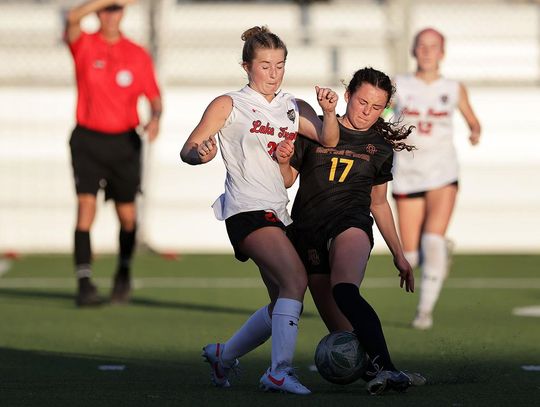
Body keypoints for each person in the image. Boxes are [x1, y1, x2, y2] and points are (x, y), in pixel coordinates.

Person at [180, 26, 339, 395]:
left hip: (277, 212)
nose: (273, 73)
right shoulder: (229, 104)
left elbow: (328, 139)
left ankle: (224, 354)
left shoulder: (291, 105)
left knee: (281, 301)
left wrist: (329, 112)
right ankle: (279, 371)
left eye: (280, 65)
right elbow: (189, 147)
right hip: (245, 210)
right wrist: (199, 154)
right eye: (265, 65)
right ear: (246, 66)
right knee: (295, 280)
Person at [276, 67, 425, 395]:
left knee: (345, 290)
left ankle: (389, 370)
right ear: (347, 96)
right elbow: (287, 180)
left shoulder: (380, 146)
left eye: (377, 108)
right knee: (348, 342)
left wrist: (400, 254)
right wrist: (283, 161)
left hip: (350, 225)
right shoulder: (315, 129)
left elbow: (379, 203)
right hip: (308, 232)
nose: (367, 112)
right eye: (362, 103)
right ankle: (379, 369)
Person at [64, 0, 162, 307]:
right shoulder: (85, 44)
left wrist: (156, 117)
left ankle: (123, 271)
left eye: (117, 8)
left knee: (128, 216)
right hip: (88, 141)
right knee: (86, 209)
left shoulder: (136, 53)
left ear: (124, 13)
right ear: (98, 11)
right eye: (107, 8)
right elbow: (72, 17)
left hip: (124, 144)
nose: (111, 14)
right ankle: (84, 282)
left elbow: (155, 97)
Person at [391, 28, 482, 330]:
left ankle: (424, 312)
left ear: (442, 53)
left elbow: (472, 119)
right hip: (406, 172)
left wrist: (474, 131)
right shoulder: (399, 85)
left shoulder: (454, 88)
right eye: (422, 46)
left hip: (443, 171)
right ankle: (440, 251)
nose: (428, 52)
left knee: (432, 238)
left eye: (434, 47)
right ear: (414, 50)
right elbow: (384, 114)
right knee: (412, 255)